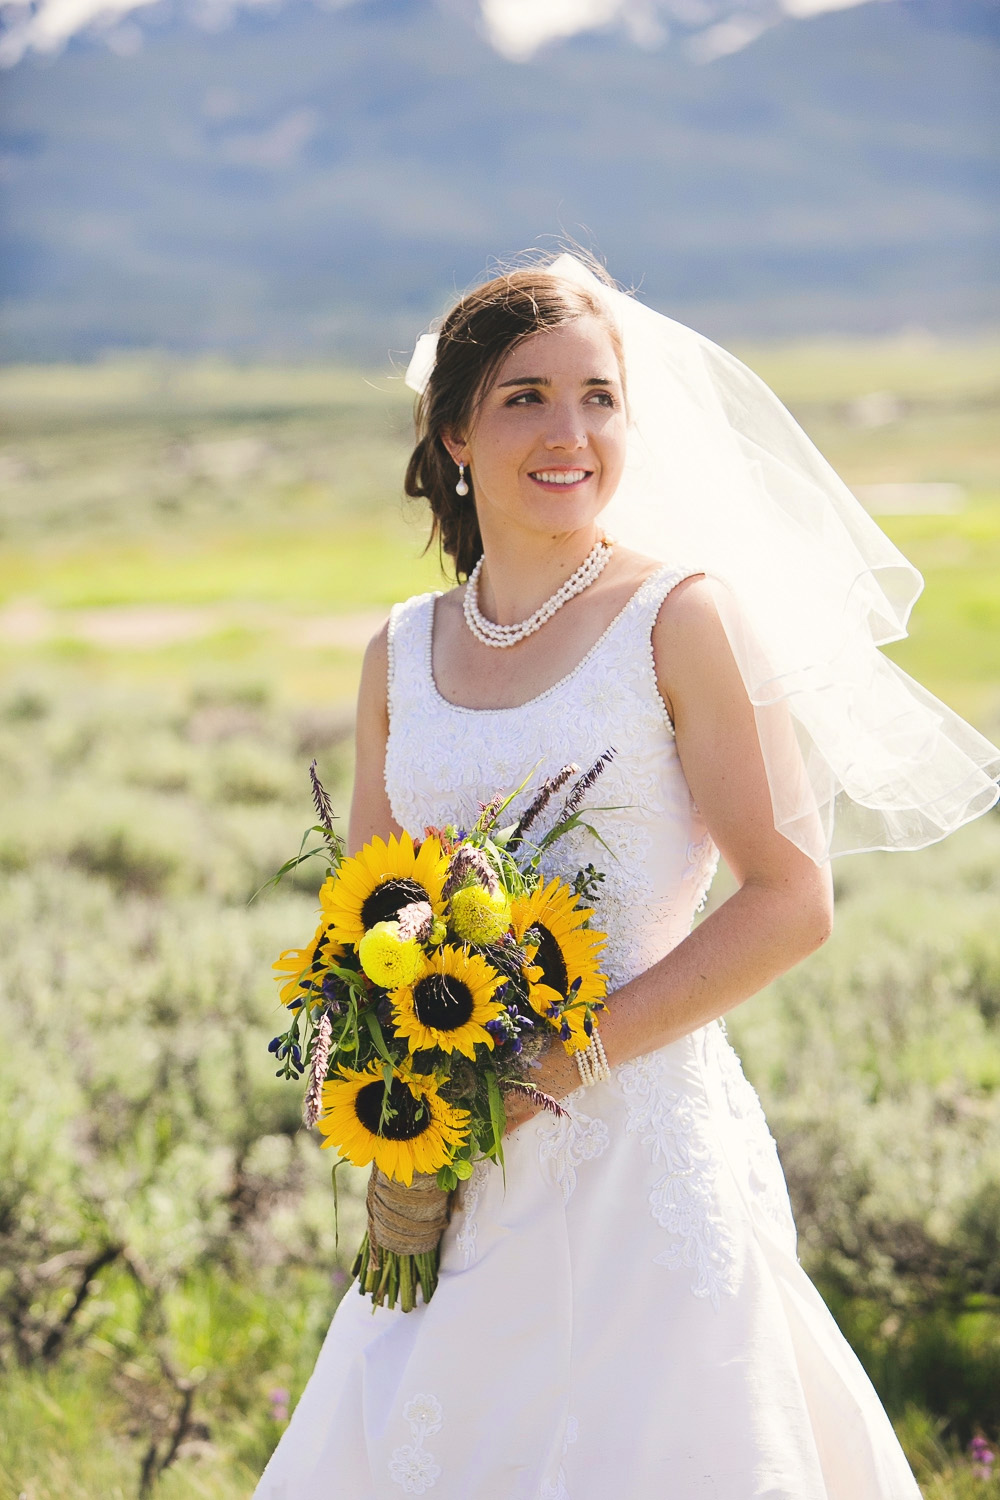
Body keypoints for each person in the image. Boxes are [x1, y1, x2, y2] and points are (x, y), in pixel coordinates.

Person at [255, 254, 999, 1499]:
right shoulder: (399, 648)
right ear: (451, 432)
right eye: (525, 398)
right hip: (461, 1164)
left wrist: (560, 1061)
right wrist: (373, 1060)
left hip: (639, 1165)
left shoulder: (680, 617)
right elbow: (375, 905)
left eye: (597, 397)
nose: (570, 433)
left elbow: (788, 897)